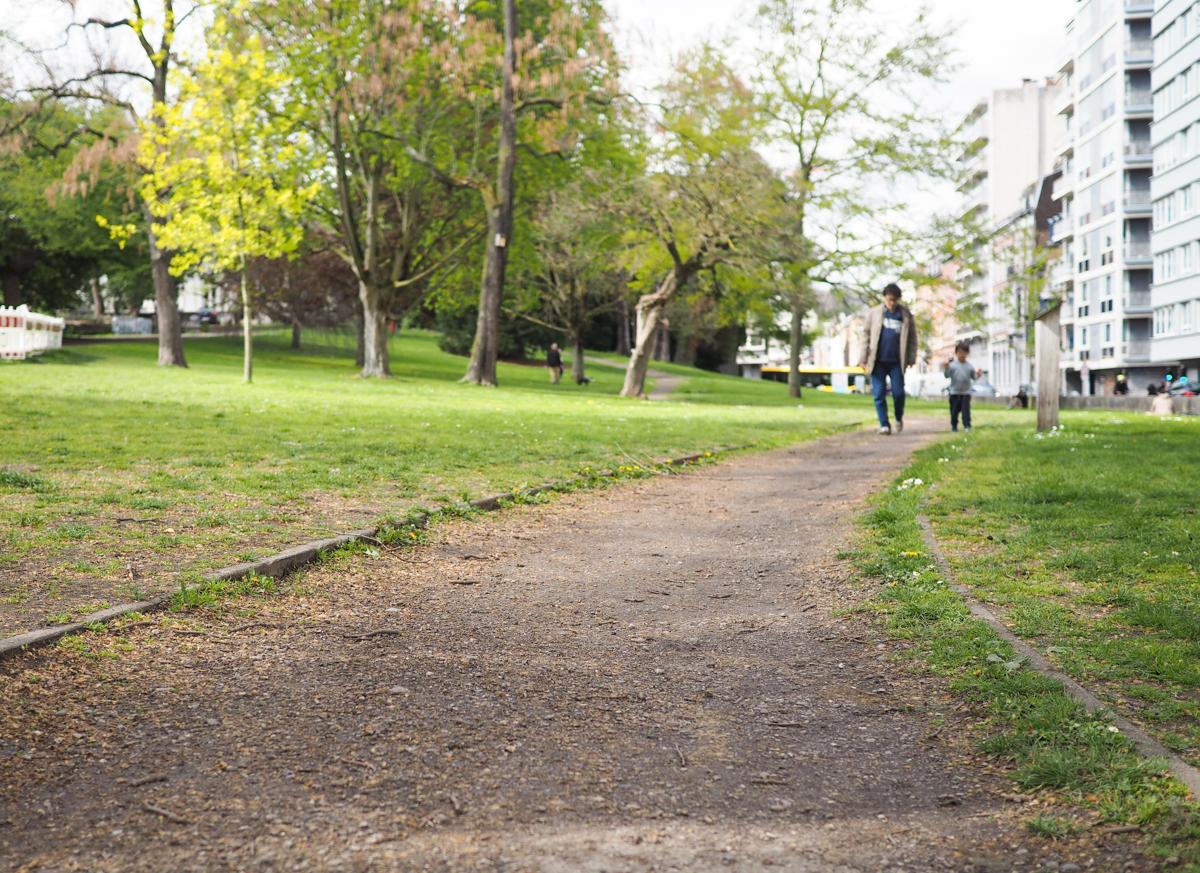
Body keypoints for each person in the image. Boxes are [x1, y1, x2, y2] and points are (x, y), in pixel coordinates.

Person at [858, 282, 918, 435]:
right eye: (889, 299)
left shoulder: (905, 315)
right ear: (884, 298)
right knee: (878, 393)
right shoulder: (874, 313)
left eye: (895, 300)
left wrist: (911, 357)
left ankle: (898, 417)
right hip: (877, 360)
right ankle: (884, 424)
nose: (892, 303)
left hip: (897, 361)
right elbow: (865, 335)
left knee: (898, 393)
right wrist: (862, 358)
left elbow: (912, 338)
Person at [944, 341, 981, 432]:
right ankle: (954, 426)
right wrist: (946, 368)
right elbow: (947, 375)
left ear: (967, 353)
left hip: (966, 393)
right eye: (960, 352)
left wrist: (978, 374)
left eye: (964, 352)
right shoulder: (952, 366)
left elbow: (974, 377)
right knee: (954, 411)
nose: (962, 355)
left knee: (966, 411)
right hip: (954, 392)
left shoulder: (969, 366)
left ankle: (967, 426)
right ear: (956, 353)